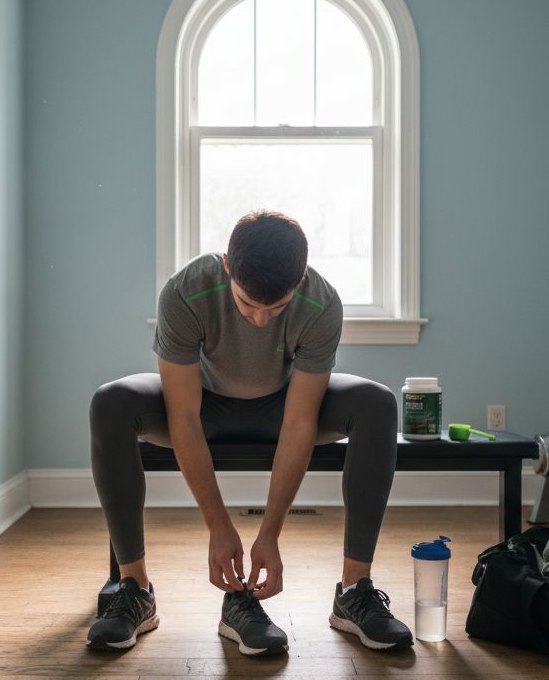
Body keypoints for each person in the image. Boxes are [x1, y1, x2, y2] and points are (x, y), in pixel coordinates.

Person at [86, 210, 412, 656]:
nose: (260, 320)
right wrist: (219, 527)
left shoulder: (321, 303)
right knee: (111, 401)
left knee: (377, 402)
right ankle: (135, 589)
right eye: (247, 304)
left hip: (283, 408)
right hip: (205, 407)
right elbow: (182, 416)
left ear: (299, 282)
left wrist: (270, 533)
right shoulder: (186, 291)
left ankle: (354, 591)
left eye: (275, 308)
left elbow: (299, 422)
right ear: (227, 267)